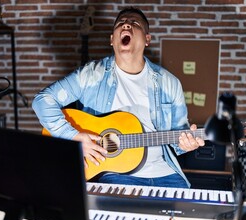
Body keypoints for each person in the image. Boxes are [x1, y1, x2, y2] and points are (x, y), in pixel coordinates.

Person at [32, 7, 205, 188]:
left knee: (187, 213)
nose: (127, 26)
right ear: (112, 39)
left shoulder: (170, 83)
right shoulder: (91, 75)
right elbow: (42, 101)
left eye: (134, 23)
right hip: (112, 175)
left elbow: (178, 137)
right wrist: (74, 136)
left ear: (147, 39)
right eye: (121, 23)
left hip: (166, 174)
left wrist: (186, 145)